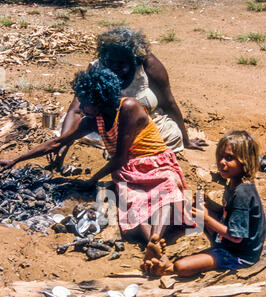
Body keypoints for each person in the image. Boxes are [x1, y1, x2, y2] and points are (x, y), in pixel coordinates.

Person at [0, 65, 194, 265]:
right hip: (129, 171)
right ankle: (154, 249)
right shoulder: (93, 121)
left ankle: (155, 239)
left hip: (156, 163)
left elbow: (119, 157)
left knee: (168, 190)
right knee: (134, 202)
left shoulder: (128, 107)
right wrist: (16, 159)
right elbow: (57, 143)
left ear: (99, 99)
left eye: (85, 103)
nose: (81, 108)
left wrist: (90, 181)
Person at [51, 26, 207, 170]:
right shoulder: (97, 67)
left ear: (134, 59)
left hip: (143, 130)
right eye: (110, 62)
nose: (115, 67)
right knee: (65, 125)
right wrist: (63, 144)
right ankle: (115, 149)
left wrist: (186, 141)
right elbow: (76, 110)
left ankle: (117, 151)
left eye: (121, 63)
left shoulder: (149, 66)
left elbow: (169, 103)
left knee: (173, 134)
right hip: (104, 129)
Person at [144, 130, 266, 276]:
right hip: (229, 243)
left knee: (181, 266)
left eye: (229, 158)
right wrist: (209, 206)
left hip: (239, 255)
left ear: (245, 161)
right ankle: (162, 255)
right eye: (220, 157)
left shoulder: (243, 193)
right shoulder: (235, 182)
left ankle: (166, 269)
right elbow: (232, 214)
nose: (222, 162)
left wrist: (207, 218)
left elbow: (236, 236)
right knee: (197, 207)